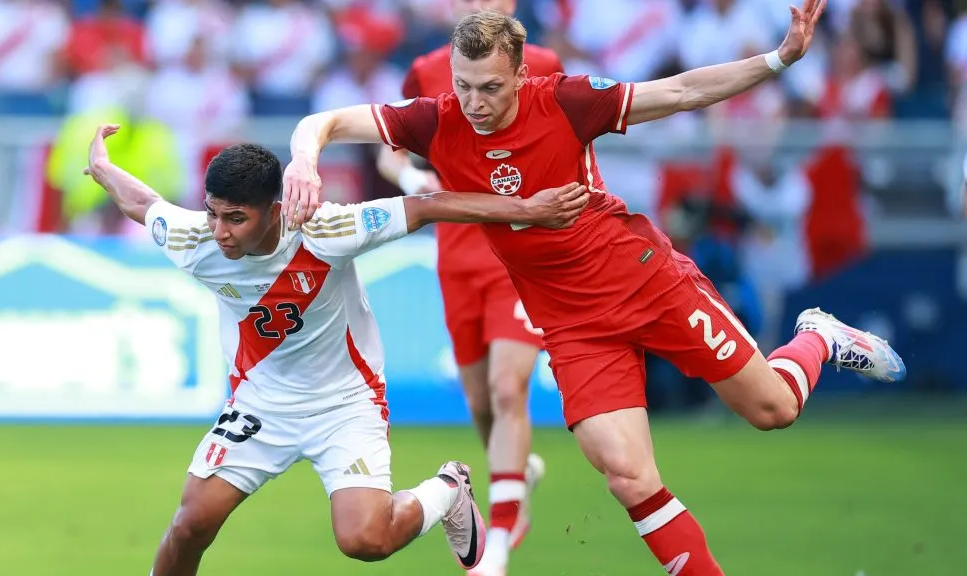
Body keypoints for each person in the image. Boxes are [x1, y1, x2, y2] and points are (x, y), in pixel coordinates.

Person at [282, 2, 908, 575]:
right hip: (572, 326)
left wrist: (780, 58)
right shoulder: (435, 119)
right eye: (464, 85)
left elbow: (682, 91)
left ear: (522, 73)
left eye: (491, 87)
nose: (474, 102)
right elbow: (325, 120)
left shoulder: (566, 100)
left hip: (644, 280)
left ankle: (819, 334)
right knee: (628, 476)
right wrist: (304, 159)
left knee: (774, 410)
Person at [81, 123, 591, 575]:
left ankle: (448, 490)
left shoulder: (325, 230)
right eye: (213, 213)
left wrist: (527, 209)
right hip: (260, 405)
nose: (220, 232)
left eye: (235, 218)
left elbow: (429, 205)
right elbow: (145, 205)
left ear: (275, 209)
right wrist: (103, 168)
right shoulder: (197, 239)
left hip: (344, 405)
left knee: (365, 541)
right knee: (191, 524)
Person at [375, 1, 562, 570]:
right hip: (456, 255)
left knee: (509, 390)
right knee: (481, 401)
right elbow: (391, 156)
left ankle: (499, 536)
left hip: (519, 257)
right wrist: (414, 177)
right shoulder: (427, 70)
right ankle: (515, 472)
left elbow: (564, 137)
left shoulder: (544, 62)